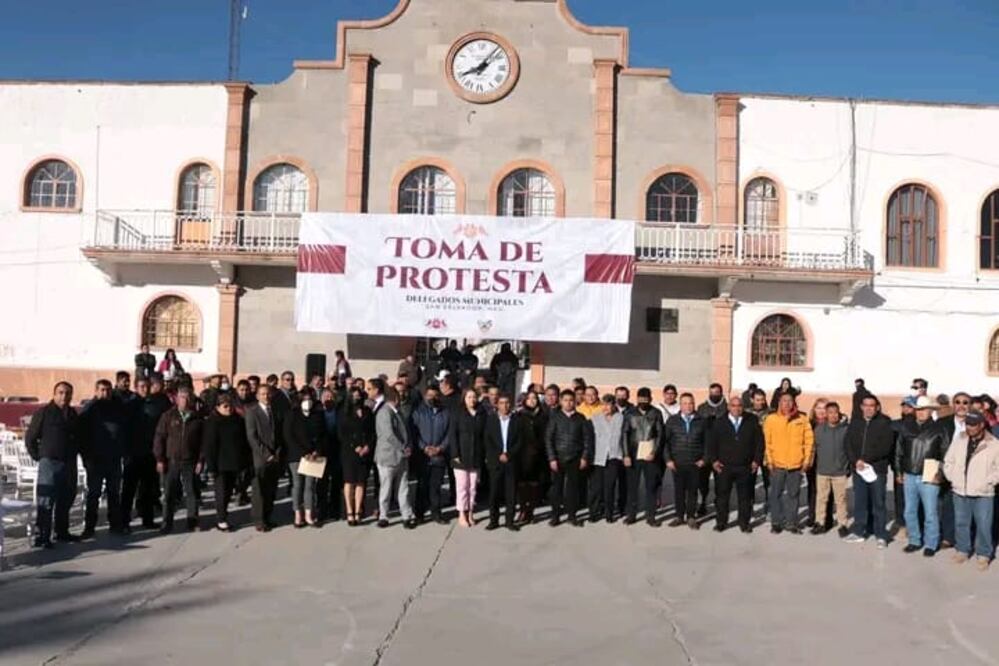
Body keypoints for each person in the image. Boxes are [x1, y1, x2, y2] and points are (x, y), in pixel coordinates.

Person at [25, 382, 80, 548]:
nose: (64, 396)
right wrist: (40, 457)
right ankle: (42, 536)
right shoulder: (44, 413)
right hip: (50, 462)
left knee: (66, 497)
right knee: (46, 500)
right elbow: (30, 438)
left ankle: (61, 532)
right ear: (54, 394)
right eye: (61, 393)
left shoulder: (72, 414)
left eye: (68, 393)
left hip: (68, 462)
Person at [943, 411, 999, 570]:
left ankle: (984, 554)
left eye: (974, 424)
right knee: (961, 522)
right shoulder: (959, 440)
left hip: (983, 492)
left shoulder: (993, 444)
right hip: (960, 490)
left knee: (983, 524)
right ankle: (962, 550)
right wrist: (952, 477)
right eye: (968, 424)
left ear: (982, 425)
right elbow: (949, 461)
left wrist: (989, 481)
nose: (970, 427)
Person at [896, 396, 945, 556]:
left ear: (931, 411)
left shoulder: (939, 429)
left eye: (924, 409)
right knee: (909, 511)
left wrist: (940, 473)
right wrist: (898, 471)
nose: (920, 412)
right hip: (909, 473)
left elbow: (946, 454)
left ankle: (931, 543)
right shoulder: (906, 426)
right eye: (918, 409)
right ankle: (915, 540)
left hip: (930, 472)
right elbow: (899, 451)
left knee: (930, 512)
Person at [706, 396, 764, 533]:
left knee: (745, 497)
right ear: (728, 407)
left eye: (739, 406)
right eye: (733, 405)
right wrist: (713, 460)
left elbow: (759, 443)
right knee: (722, 496)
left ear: (743, 407)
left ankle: (744, 523)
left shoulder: (752, 420)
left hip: (745, 466)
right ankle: (721, 522)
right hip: (724, 466)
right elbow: (711, 443)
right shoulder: (719, 422)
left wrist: (757, 460)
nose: (736, 408)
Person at [78, 379, 127, 537]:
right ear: (96, 391)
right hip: (95, 460)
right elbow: (82, 436)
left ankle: (115, 524)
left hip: (113, 458)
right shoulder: (90, 409)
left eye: (108, 390)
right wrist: (86, 459)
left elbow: (124, 429)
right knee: (94, 494)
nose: (105, 393)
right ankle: (89, 527)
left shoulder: (117, 407)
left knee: (114, 493)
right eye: (102, 390)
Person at [844, 395, 894, 548]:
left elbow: (885, 447)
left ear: (877, 407)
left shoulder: (885, 423)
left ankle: (881, 535)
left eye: (872, 405)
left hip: (876, 469)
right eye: (866, 405)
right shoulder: (855, 423)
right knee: (860, 501)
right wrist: (855, 460)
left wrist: (865, 459)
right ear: (861, 407)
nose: (868, 408)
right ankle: (859, 531)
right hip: (859, 469)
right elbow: (847, 444)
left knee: (878, 502)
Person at [122, 377, 170, 532]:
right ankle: (124, 522)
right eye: (142, 386)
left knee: (149, 488)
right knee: (129, 489)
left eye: (147, 386)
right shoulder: (129, 406)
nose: (145, 389)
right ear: (136, 387)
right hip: (132, 453)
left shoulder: (157, 404)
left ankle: (147, 519)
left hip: (150, 452)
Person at [153, 387, 204, 533]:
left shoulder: (197, 418)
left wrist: (201, 460)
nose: (185, 400)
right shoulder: (168, 416)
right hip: (171, 460)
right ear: (176, 398)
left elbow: (203, 442)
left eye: (188, 397)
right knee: (169, 493)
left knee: (192, 492)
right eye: (182, 397)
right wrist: (160, 459)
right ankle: (166, 523)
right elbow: (159, 438)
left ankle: (192, 521)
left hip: (191, 460)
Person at [763, 393, 814, 535]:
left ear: (794, 403)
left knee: (793, 494)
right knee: (776, 494)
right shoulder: (771, 419)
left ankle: (791, 523)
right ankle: (776, 522)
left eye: (790, 401)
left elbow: (809, 441)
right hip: (777, 464)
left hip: (795, 465)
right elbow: (767, 442)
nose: (787, 403)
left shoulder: (802, 419)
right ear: (779, 402)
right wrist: (769, 461)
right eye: (784, 400)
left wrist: (806, 461)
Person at [202, 394, 250, 531]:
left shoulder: (237, 420)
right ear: (218, 407)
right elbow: (209, 446)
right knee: (221, 492)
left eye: (230, 406)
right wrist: (211, 467)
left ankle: (224, 515)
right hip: (220, 464)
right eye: (225, 406)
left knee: (228, 491)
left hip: (234, 462)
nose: (229, 409)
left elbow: (242, 441)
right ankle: (221, 519)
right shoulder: (213, 422)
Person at [545, 389, 594, 527]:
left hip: (575, 458)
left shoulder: (581, 418)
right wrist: (552, 458)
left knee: (573, 489)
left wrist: (584, 457)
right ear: (561, 401)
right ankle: (555, 516)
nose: (568, 403)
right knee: (556, 489)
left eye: (571, 400)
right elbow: (548, 439)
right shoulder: (555, 418)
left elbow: (587, 440)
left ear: (575, 402)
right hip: (558, 459)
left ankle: (572, 516)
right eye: (565, 400)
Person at [283, 387, 327, 528]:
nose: (307, 401)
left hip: (313, 455)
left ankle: (309, 514)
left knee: (310, 485)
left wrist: (317, 450)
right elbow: (288, 435)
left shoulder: (317, 414)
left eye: (310, 399)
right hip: (297, 456)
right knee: (298, 484)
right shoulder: (292, 414)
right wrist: (303, 452)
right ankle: (298, 514)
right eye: (305, 398)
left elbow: (322, 434)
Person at [663, 393, 708, 530]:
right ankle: (679, 516)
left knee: (693, 491)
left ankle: (691, 517)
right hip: (677, 462)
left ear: (694, 404)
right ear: (680, 405)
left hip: (695, 463)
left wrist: (704, 459)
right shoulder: (672, 421)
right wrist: (668, 459)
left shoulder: (702, 421)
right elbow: (665, 442)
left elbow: (708, 443)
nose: (688, 406)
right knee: (679, 490)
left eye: (690, 403)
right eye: (685, 403)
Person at [374, 386, 416, 529]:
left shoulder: (398, 413)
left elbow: (406, 432)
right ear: (395, 398)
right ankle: (383, 515)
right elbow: (389, 435)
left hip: (402, 456)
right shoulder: (384, 413)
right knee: (386, 487)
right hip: (388, 456)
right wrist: (403, 448)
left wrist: (408, 446)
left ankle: (406, 515)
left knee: (403, 487)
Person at [622, 388, 663, 526]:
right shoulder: (630, 413)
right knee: (632, 486)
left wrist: (654, 452)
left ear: (650, 399)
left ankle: (651, 516)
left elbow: (660, 435)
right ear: (637, 399)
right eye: (641, 399)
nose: (643, 401)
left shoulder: (656, 413)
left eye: (646, 399)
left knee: (651, 486)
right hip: (633, 454)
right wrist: (626, 454)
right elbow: (625, 434)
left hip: (650, 455)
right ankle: (631, 515)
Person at [245, 384, 283, 532]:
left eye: (267, 394)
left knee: (271, 489)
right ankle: (259, 520)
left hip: (275, 456)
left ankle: (268, 517)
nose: (265, 397)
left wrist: (278, 452)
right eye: (262, 394)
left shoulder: (274, 411)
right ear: (257, 396)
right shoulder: (252, 412)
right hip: (261, 458)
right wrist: (266, 454)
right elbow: (252, 437)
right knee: (259, 491)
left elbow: (278, 433)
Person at [412, 385, 452, 524]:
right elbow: (414, 433)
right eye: (429, 395)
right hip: (423, 456)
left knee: (435, 487)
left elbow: (449, 433)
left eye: (435, 395)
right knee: (422, 486)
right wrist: (424, 447)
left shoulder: (446, 413)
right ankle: (419, 514)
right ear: (424, 396)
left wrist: (440, 448)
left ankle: (436, 513)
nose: (432, 398)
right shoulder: (418, 412)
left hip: (439, 455)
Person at [811, 401, 851, 537]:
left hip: (839, 471)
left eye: (835, 412)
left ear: (838, 413)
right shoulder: (819, 429)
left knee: (841, 499)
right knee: (821, 498)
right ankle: (819, 523)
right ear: (826, 414)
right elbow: (814, 449)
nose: (833, 415)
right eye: (830, 413)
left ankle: (843, 525)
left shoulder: (845, 429)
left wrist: (848, 467)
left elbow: (849, 449)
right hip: (822, 470)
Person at [338, 387, 375, 526]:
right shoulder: (344, 413)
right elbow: (341, 434)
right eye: (354, 396)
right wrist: (355, 446)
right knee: (349, 482)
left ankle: (358, 510)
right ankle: (349, 510)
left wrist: (367, 446)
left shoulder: (367, 412)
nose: (357, 398)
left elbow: (372, 432)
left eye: (359, 396)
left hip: (364, 451)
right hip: (349, 452)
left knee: (361, 481)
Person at [485, 394, 522, 531]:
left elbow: (520, 441)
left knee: (510, 493)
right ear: (497, 405)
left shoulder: (517, 420)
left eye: (507, 402)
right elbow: (488, 440)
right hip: (496, 462)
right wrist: (498, 455)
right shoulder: (491, 420)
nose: (504, 405)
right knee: (494, 493)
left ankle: (509, 521)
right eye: (501, 402)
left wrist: (509, 454)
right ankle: (493, 520)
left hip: (511, 461)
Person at [450, 389, 487, 527]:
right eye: (469, 397)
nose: (472, 400)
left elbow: (484, 435)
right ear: (464, 398)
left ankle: (470, 512)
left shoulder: (482, 414)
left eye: (474, 397)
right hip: (461, 456)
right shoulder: (457, 413)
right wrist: (455, 454)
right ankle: (461, 513)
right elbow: (452, 435)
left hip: (476, 455)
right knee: (462, 487)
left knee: (472, 487)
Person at [590, 395, 625, 523]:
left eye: (608, 404)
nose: (605, 407)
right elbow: (591, 439)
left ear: (614, 405)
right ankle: (594, 512)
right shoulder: (595, 418)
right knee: (597, 487)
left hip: (614, 456)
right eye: (603, 404)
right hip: (598, 457)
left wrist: (624, 455)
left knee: (610, 486)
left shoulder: (620, 418)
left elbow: (623, 437)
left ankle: (609, 513)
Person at [516, 391, 547, 524]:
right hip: (522, 455)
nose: (532, 400)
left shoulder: (543, 415)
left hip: (538, 455)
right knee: (523, 484)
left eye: (535, 398)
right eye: (529, 398)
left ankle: (531, 511)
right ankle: (522, 509)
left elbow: (546, 435)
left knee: (535, 484)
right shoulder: (519, 415)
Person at [806, 398, 833, 530]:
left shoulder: (833, 424)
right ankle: (812, 516)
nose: (821, 411)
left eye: (824, 408)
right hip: (813, 461)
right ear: (814, 409)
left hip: (828, 462)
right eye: (818, 408)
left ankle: (826, 519)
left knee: (827, 491)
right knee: (813, 489)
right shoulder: (809, 424)